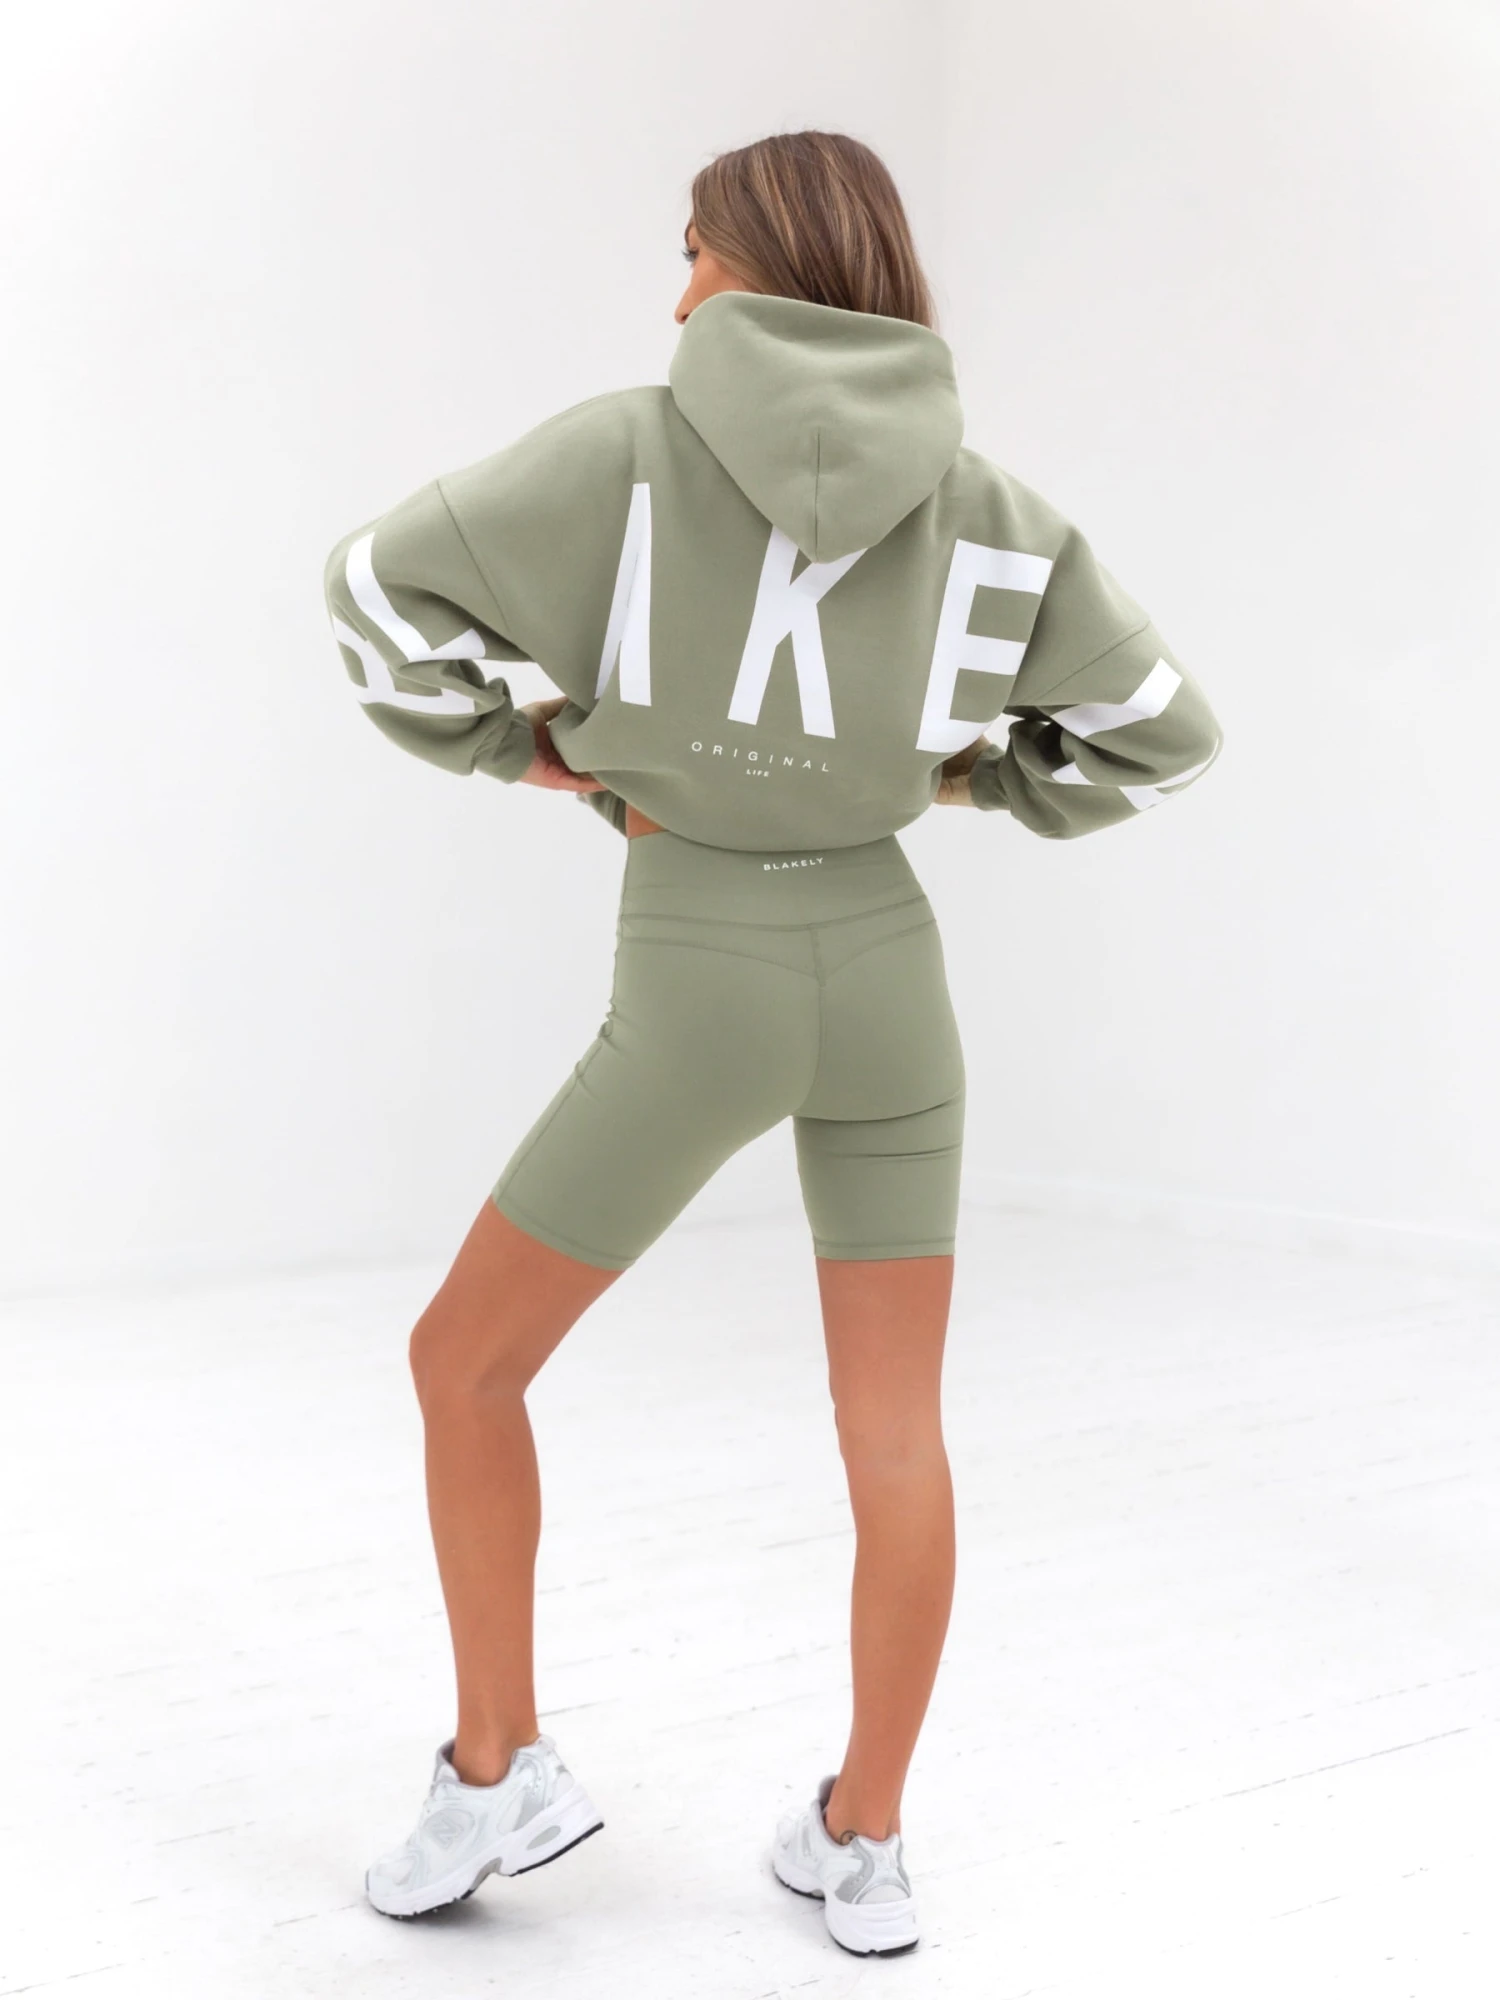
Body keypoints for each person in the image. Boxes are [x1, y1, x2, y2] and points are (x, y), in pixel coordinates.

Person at [322, 129, 1222, 1957]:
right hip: (891, 976)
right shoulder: (985, 505)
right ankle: (864, 1841)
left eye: (692, 253)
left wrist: (529, 747)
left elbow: (370, 598)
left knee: (462, 1364)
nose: (678, 300)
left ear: (750, 258)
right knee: (895, 1436)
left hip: (701, 980)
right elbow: (1161, 733)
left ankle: (497, 1773)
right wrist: (961, 778)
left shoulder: (621, 454)